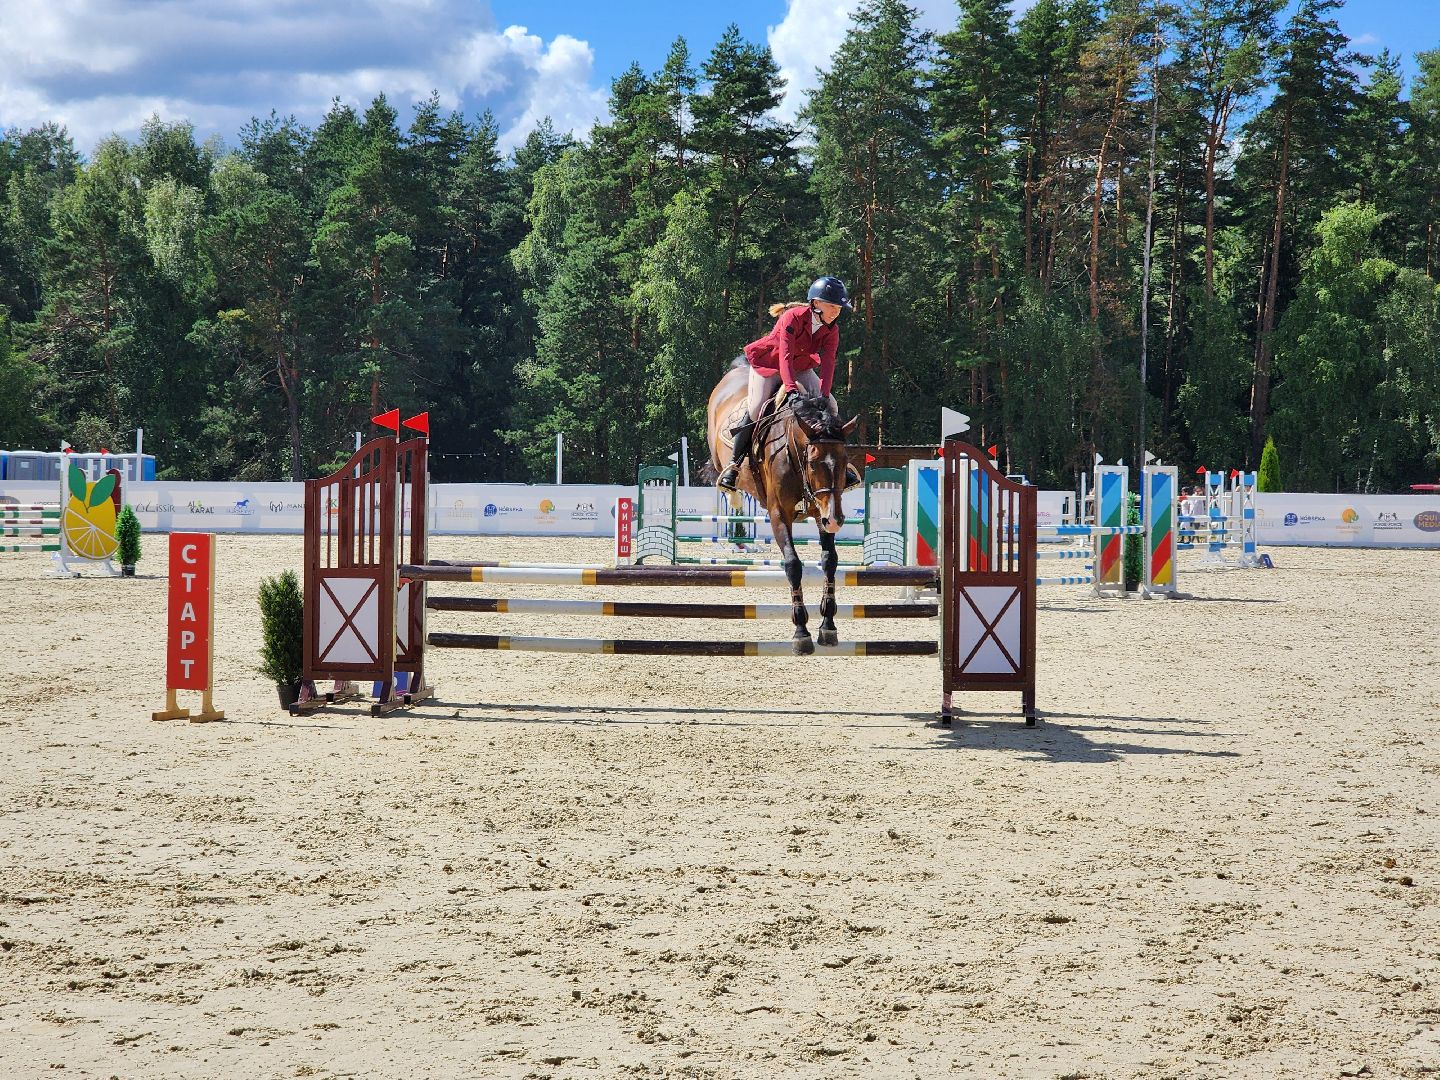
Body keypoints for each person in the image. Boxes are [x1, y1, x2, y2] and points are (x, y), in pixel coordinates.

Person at [717, 275, 861, 493]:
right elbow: (784, 356)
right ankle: (734, 465)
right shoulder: (792, 318)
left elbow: (829, 361)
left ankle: (838, 463)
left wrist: (823, 392)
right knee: (756, 409)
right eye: (832, 306)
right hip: (770, 364)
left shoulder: (832, 329)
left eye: (839, 308)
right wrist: (791, 390)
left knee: (832, 404)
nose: (836, 312)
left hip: (801, 366)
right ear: (815, 303)